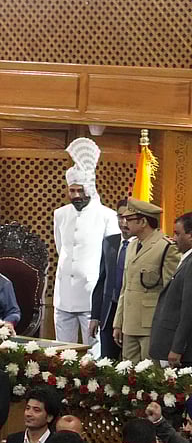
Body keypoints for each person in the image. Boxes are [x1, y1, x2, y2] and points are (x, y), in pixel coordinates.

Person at [52, 138, 119, 345]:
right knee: (63, 353)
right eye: (72, 191)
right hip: (63, 295)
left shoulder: (107, 215)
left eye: (80, 190)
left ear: (89, 188)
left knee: (93, 355)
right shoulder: (60, 214)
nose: (76, 195)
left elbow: (110, 260)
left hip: (91, 297)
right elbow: (60, 246)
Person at [114, 198, 180, 361]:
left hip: (151, 325)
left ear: (143, 221)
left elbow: (170, 294)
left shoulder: (166, 247)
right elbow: (125, 288)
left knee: (150, 376)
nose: (124, 223)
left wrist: (167, 329)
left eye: (129, 219)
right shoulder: (131, 245)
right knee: (127, 375)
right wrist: (118, 322)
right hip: (129, 324)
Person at [149, 211, 192, 366]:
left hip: (184, 353)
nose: (173, 239)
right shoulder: (185, 259)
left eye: (177, 234)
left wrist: (177, 348)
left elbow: (188, 310)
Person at [92, 200, 129, 359]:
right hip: (109, 312)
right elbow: (102, 281)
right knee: (107, 362)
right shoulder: (109, 242)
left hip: (130, 314)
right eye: (120, 217)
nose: (124, 222)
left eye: (128, 218)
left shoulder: (143, 246)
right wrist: (95, 316)